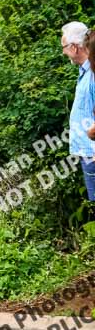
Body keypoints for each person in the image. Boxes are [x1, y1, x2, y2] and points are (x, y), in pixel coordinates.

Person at [61, 22, 95, 200]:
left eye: (64, 47)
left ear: (74, 47)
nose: (63, 52)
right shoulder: (85, 72)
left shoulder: (93, 74)